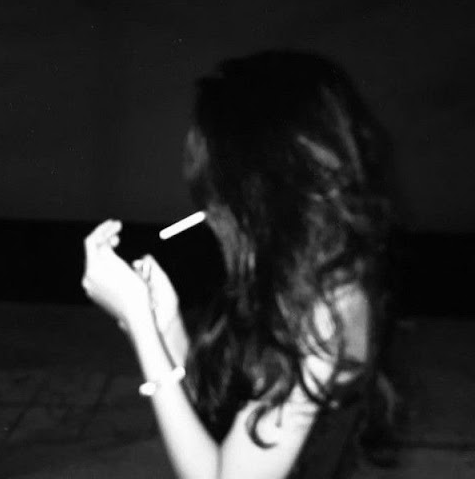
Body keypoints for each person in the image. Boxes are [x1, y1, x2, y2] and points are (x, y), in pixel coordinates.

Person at [82, 51, 397, 479]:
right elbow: (220, 428)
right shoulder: (305, 277)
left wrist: (140, 324)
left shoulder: (327, 311)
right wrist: (164, 324)